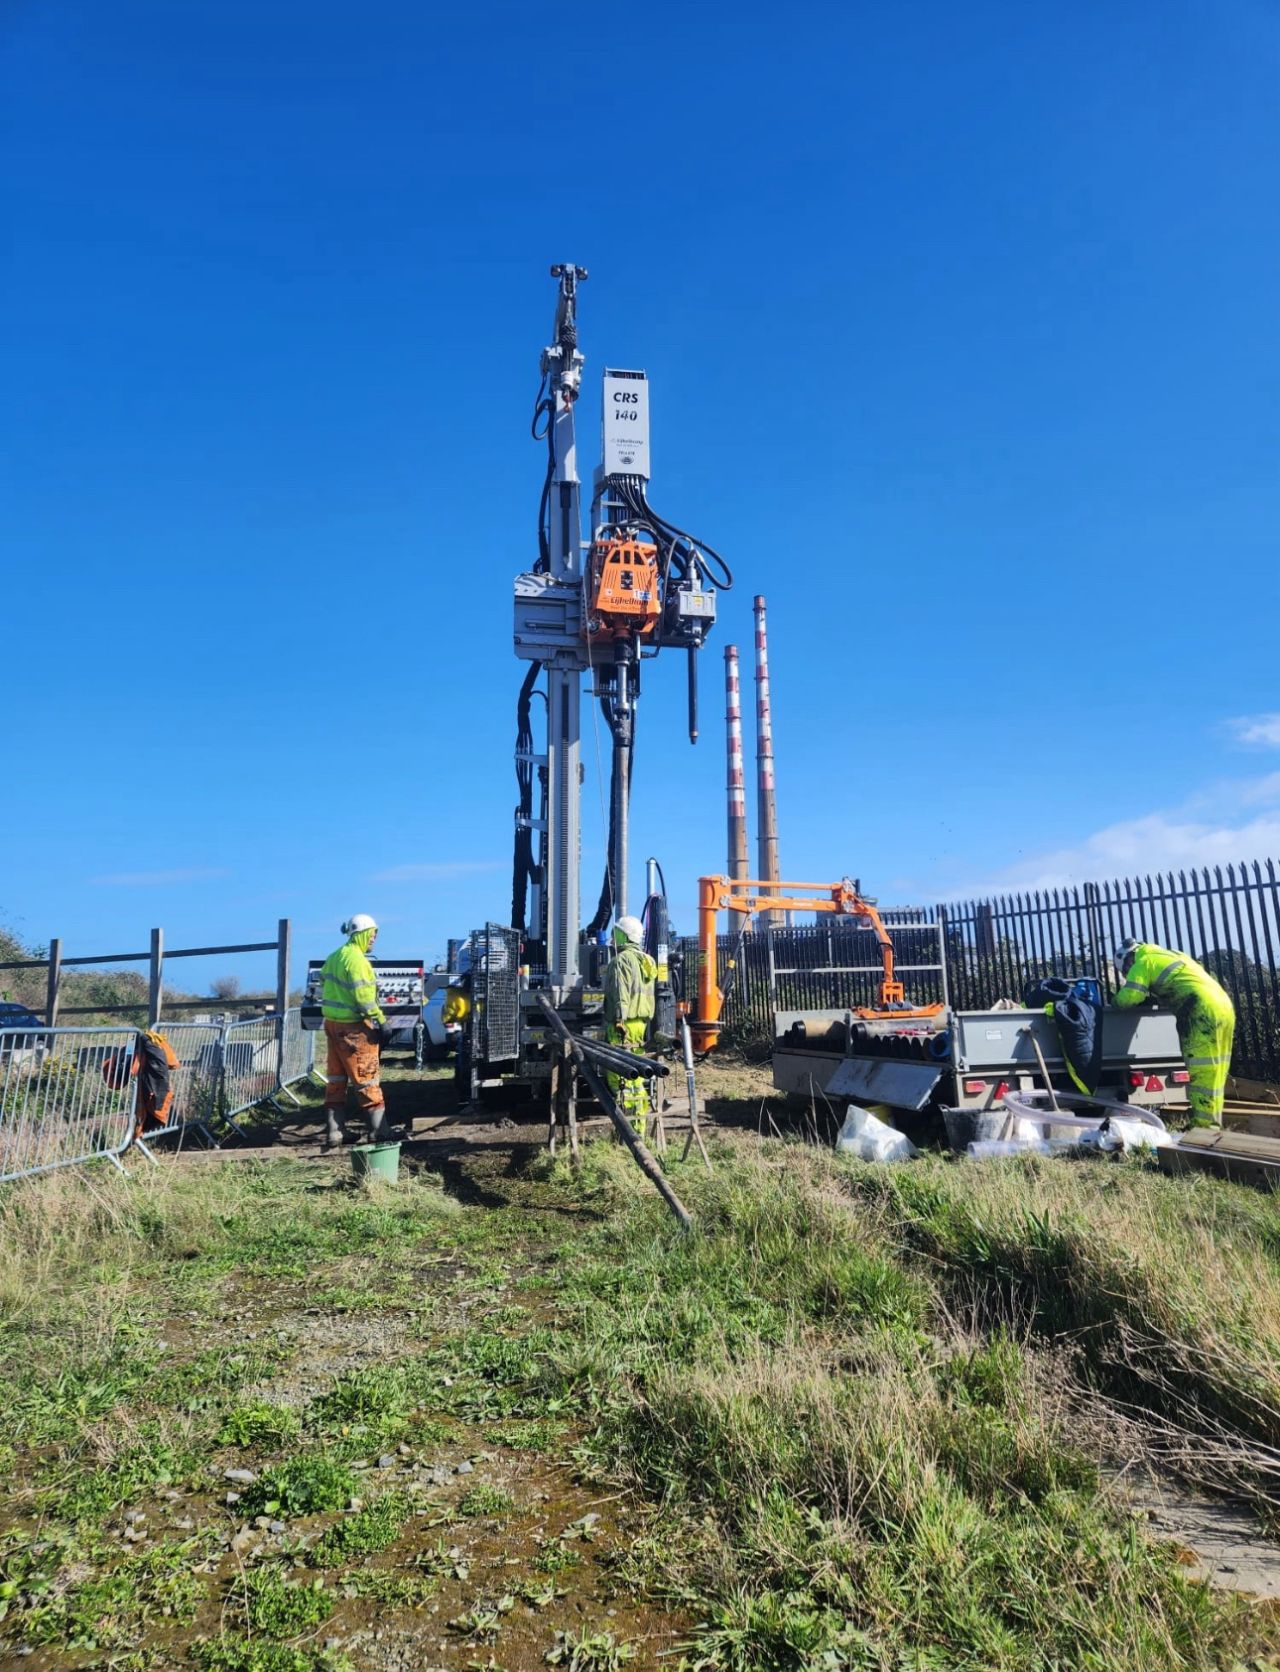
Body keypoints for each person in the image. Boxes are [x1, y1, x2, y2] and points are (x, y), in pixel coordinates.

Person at [1112, 937, 1236, 1124]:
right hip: (1224, 1007)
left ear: (1128, 959)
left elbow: (1130, 997)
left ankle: (1203, 1129)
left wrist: (1113, 1002)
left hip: (1199, 1009)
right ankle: (1212, 1124)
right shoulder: (1173, 955)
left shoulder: (1143, 962)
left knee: (1202, 1072)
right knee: (1216, 1073)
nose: (1128, 973)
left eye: (1126, 971)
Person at [320, 914, 388, 1148]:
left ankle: (335, 1131)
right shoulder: (358, 961)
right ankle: (379, 1131)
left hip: (332, 1025)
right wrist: (381, 1021)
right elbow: (364, 999)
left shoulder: (335, 957)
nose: (374, 939)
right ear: (363, 934)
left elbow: (323, 983)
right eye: (373, 934)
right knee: (367, 1078)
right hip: (353, 1029)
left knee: (336, 1079)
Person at [603, 913, 657, 1134]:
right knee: (636, 1075)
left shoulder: (621, 961)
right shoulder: (647, 961)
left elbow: (620, 994)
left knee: (619, 1075)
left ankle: (628, 1131)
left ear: (626, 936)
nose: (613, 936)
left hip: (623, 1025)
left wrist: (619, 1019)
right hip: (640, 1024)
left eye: (617, 932)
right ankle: (639, 1127)